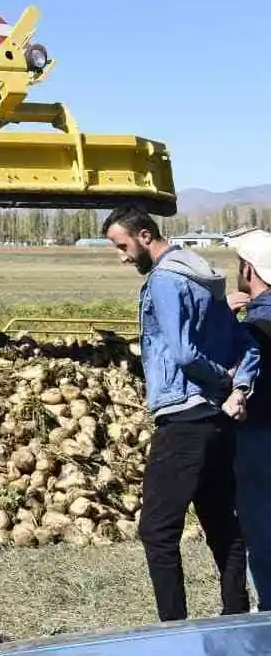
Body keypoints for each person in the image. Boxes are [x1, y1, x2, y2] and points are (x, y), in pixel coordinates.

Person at [103, 206, 256, 621]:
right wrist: (239, 387)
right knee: (221, 521)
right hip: (217, 423)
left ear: (146, 236)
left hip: (184, 418)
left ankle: (173, 629)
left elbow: (184, 353)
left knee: (157, 530)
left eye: (122, 246)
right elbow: (245, 345)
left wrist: (221, 382)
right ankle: (236, 617)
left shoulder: (166, 281)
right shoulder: (206, 278)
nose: (122, 256)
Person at [226, 228, 271, 608]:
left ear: (249, 271)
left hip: (259, 438)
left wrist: (220, 321)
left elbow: (230, 374)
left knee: (261, 530)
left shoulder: (249, 328)